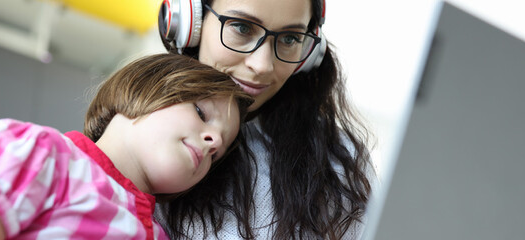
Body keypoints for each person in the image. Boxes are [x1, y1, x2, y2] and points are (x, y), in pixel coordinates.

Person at [0, 53, 253, 240]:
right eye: (200, 112)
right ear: (145, 87)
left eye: (217, 153)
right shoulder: (40, 154)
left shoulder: (158, 234)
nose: (213, 140)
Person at [156, 0, 375, 239]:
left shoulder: (339, 163)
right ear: (192, 21)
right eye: (241, 27)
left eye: (290, 38)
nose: (262, 66)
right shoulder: (144, 123)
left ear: (308, 53)